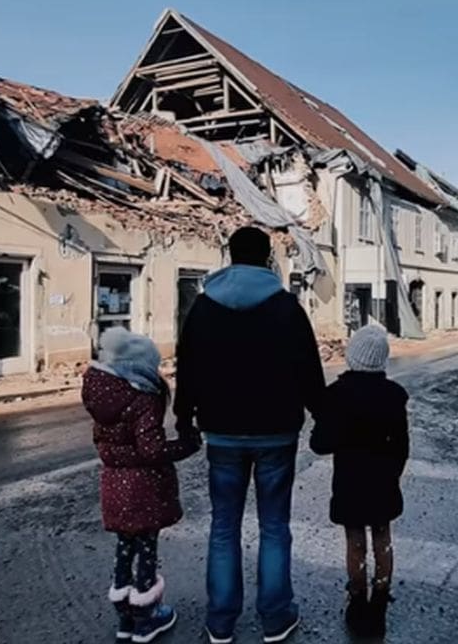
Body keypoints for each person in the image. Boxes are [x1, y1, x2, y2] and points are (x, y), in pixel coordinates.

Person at [174, 226, 325, 644]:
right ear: (267, 258)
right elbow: (308, 367)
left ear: (230, 255)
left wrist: (184, 418)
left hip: (222, 432)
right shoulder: (287, 307)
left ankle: (220, 621)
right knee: (274, 526)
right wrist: (323, 414)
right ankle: (275, 617)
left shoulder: (204, 306)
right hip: (277, 432)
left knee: (224, 527)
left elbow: (188, 365)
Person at [83, 327, 201, 644]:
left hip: (114, 484)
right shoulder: (143, 399)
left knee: (124, 549)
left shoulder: (103, 396)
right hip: (143, 488)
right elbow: (152, 450)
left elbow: (105, 444)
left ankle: (124, 619)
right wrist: (187, 445)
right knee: (147, 550)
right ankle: (147, 619)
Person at [309, 325, 409, 638]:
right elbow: (402, 446)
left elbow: (320, 444)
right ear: (381, 359)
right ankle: (379, 603)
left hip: (350, 483)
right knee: (383, 538)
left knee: (355, 543)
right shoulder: (394, 395)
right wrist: (393, 474)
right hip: (384, 482)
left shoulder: (337, 395)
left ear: (353, 356)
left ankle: (357, 601)